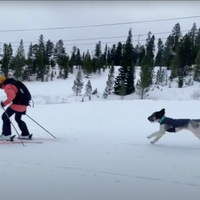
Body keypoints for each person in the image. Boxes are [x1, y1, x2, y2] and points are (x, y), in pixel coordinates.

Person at [0, 72, 31, 140]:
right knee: (18, 118)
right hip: (24, 104)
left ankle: (6, 134)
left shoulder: (7, 86)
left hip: (17, 104)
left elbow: (12, 96)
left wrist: (4, 104)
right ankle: (25, 134)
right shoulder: (14, 82)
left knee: (5, 117)